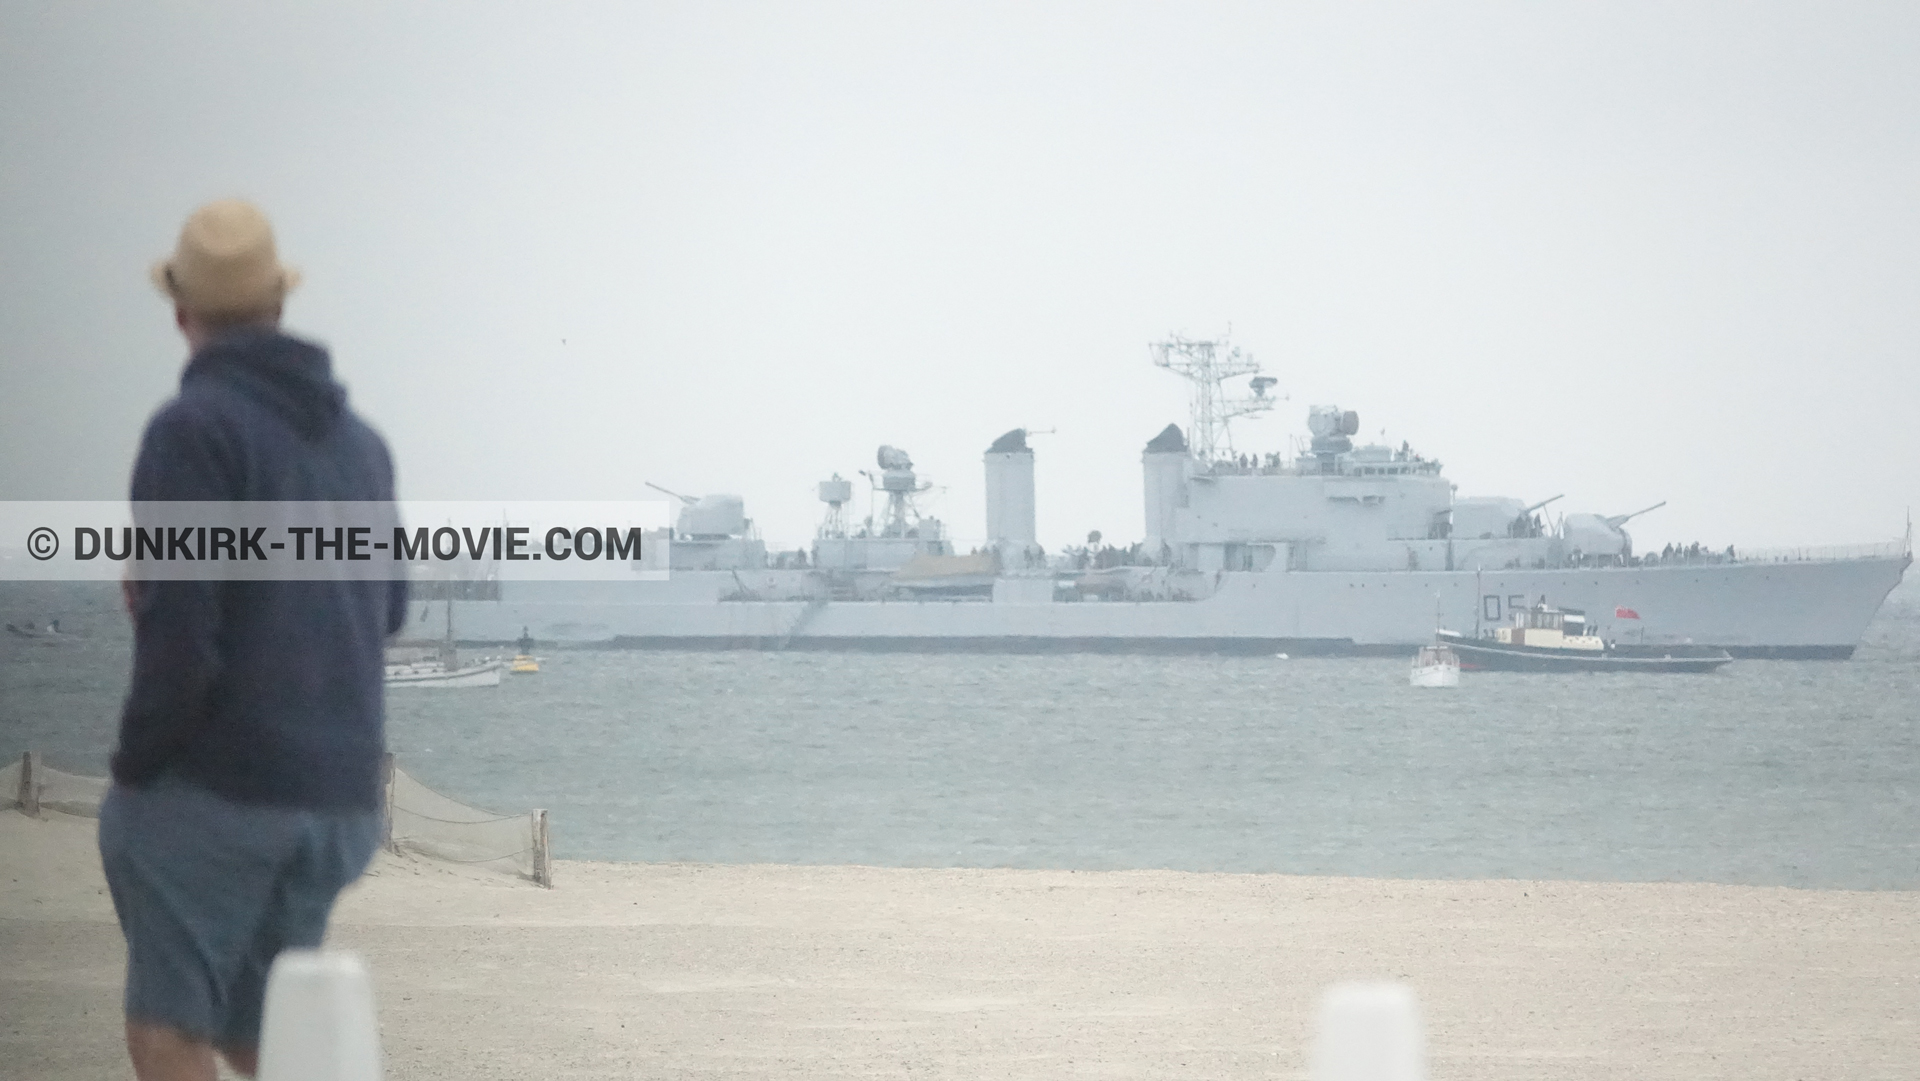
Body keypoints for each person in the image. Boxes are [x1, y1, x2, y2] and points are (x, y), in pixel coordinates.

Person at [98, 199, 409, 1081]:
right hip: (343, 801)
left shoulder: (190, 432)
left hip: (230, 792)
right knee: (263, 1030)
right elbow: (385, 611)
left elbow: (181, 644)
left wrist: (134, 768)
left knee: (167, 1029)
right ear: (278, 303)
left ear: (181, 311)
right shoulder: (363, 446)